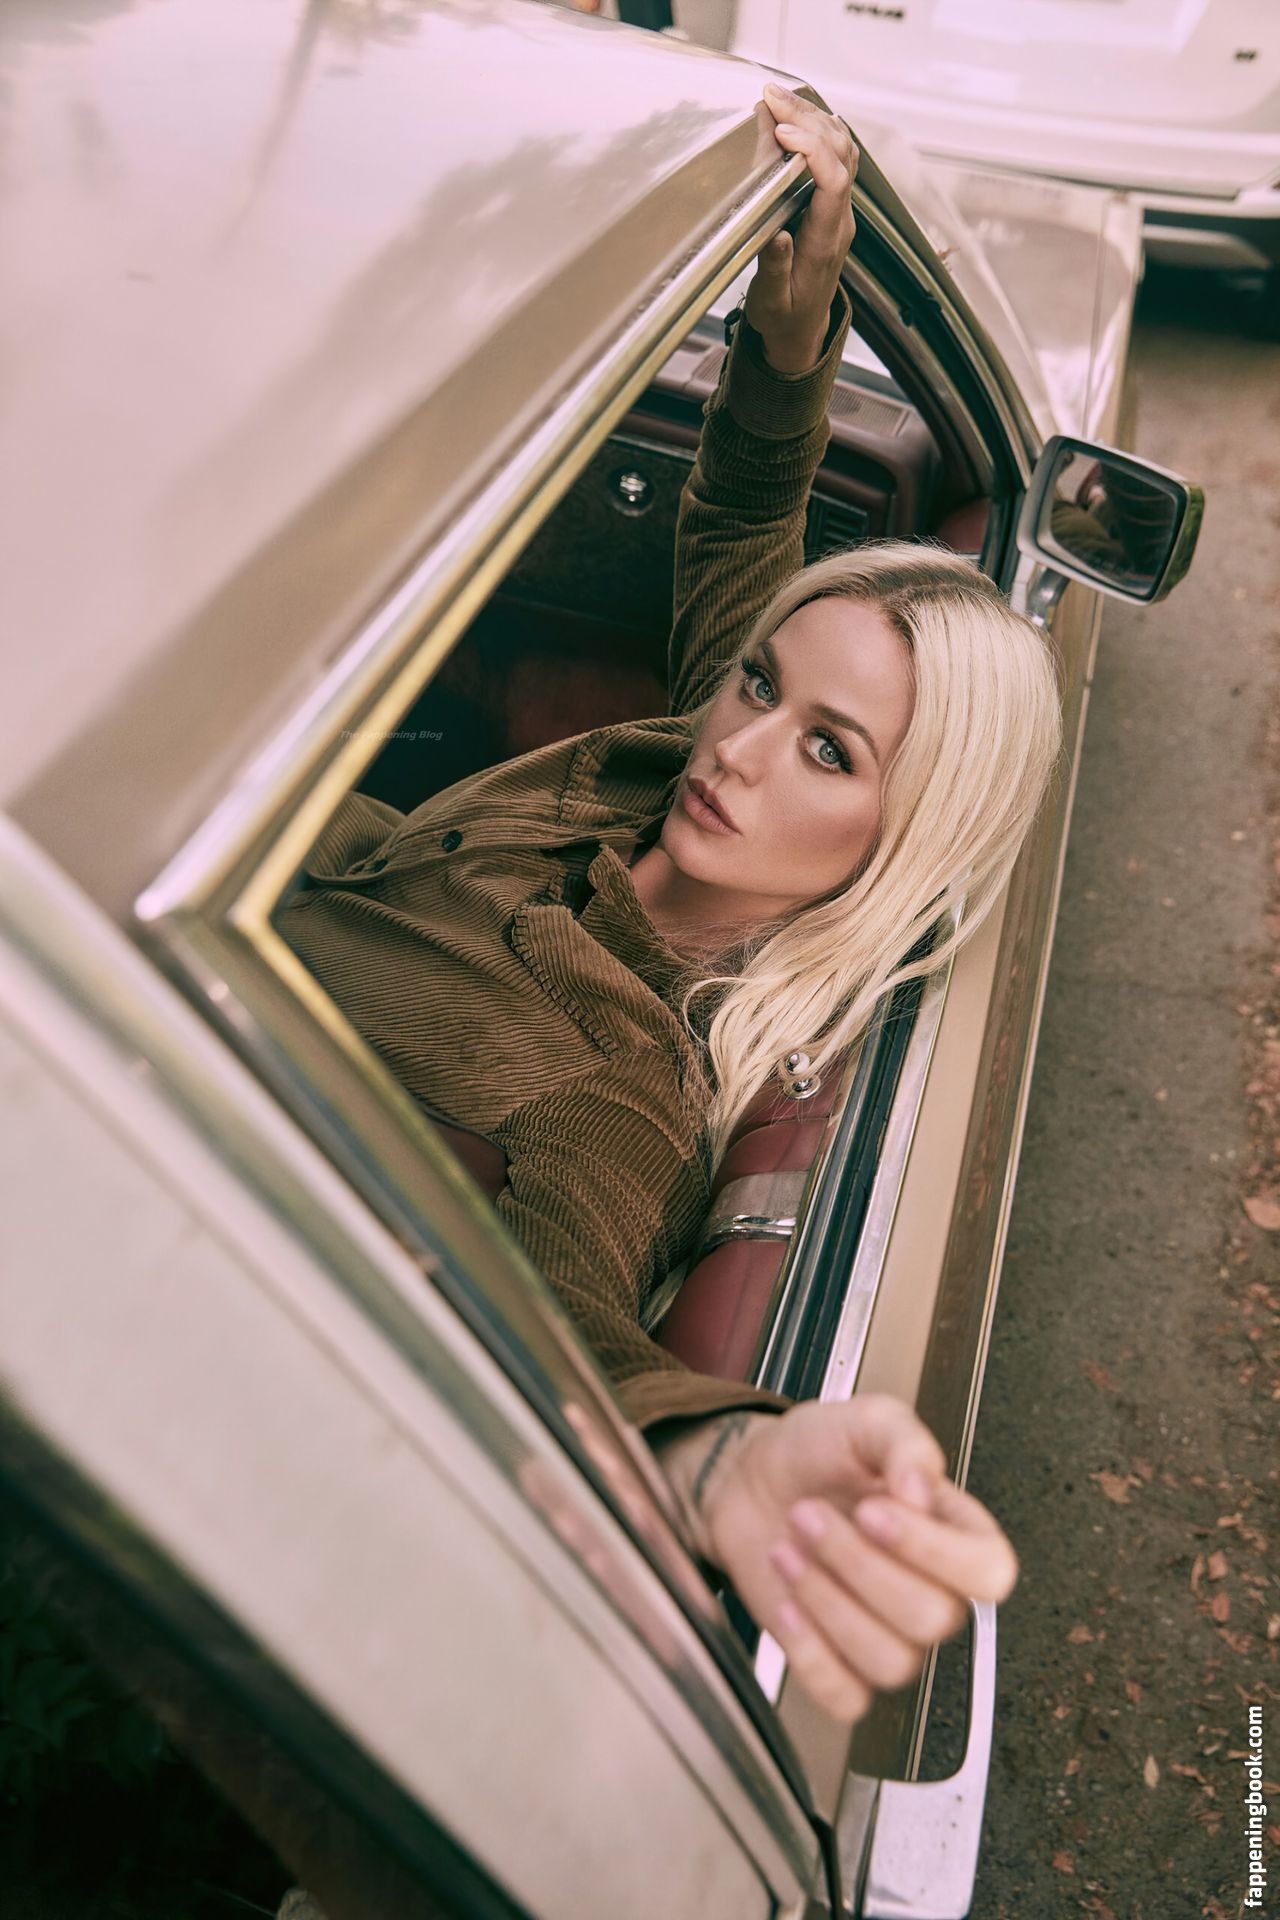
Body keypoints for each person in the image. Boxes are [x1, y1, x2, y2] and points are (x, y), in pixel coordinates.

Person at [280, 85, 1061, 1726]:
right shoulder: (699, 769)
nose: (742, 746)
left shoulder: (618, 1083)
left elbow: (564, 1317)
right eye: (760, 681)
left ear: (897, 840)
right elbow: (750, 511)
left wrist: (709, 1461)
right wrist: (793, 325)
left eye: (831, 751)